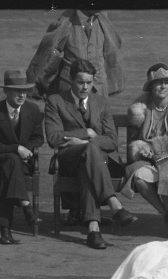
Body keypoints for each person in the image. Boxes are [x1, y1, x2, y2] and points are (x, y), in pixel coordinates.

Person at [44, 58, 136, 249]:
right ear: (71, 80)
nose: (85, 87)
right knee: (90, 151)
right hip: (69, 157)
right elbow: (53, 137)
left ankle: (93, 230)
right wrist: (86, 133)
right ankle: (114, 204)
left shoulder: (101, 102)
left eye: (89, 82)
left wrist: (88, 142)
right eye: (80, 82)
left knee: (89, 160)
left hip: (94, 162)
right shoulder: (56, 101)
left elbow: (112, 141)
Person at [121, 63, 168, 216]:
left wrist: (156, 148)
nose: (163, 86)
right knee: (139, 178)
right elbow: (134, 142)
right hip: (148, 160)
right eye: (158, 83)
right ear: (150, 87)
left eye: (166, 82)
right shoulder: (141, 110)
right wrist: (142, 151)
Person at [0, 69, 45, 245]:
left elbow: (39, 137)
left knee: (11, 170)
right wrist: (17, 148)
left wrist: (27, 149)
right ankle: (26, 205)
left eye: (24, 91)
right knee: (11, 160)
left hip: (22, 163)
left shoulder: (33, 110)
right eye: (17, 91)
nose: (22, 95)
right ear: (6, 91)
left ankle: (6, 229)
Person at [26, 8, 123, 99]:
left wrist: (112, 82)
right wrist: (34, 86)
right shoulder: (66, 22)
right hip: (70, 89)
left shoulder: (103, 20)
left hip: (99, 89)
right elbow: (48, 53)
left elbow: (113, 49)